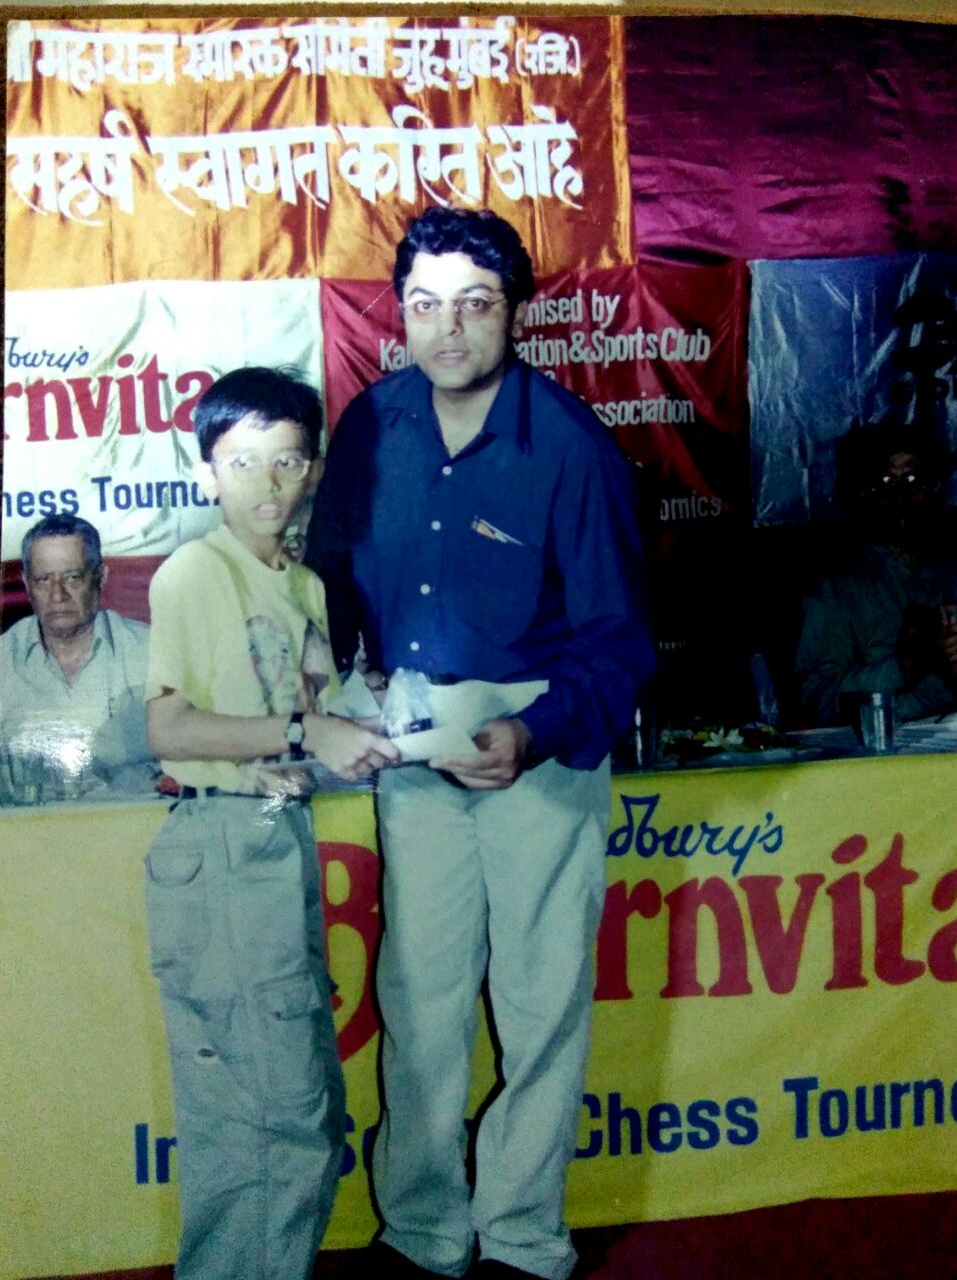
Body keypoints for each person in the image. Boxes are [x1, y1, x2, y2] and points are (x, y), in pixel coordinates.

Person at [306, 208, 655, 1280]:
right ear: (399, 313)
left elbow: (618, 640)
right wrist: (333, 679)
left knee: (541, 1005)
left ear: (515, 312)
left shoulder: (571, 447)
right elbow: (326, 579)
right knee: (419, 1002)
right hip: (414, 747)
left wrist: (531, 732)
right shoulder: (372, 425)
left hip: (537, 746)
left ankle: (521, 1239)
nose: (447, 328)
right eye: (424, 304)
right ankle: (422, 1232)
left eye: (475, 303)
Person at [143, 367, 399, 1280]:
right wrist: (305, 730)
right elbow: (169, 728)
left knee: (303, 1111)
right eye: (243, 460)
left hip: (276, 838)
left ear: (314, 470)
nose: (268, 482)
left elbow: (309, 718)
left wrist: (367, 728)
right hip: (219, 844)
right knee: (265, 1120)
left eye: (288, 460)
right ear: (206, 471)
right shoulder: (193, 573)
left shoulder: (305, 588)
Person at [795, 428, 957, 726]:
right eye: (885, 481)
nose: (899, 495)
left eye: (913, 480)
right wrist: (910, 663)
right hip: (893, 747)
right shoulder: (835, 591)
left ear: (934, 488)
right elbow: (817, 700)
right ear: (862, 492)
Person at [0, 512, 153, 804]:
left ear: (100, 578)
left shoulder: (152, 652)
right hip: (27, 829)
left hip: (130, 825)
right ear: (27, 585)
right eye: (43, 580)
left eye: (72, 577)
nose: (58, 595)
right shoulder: (1, 661)